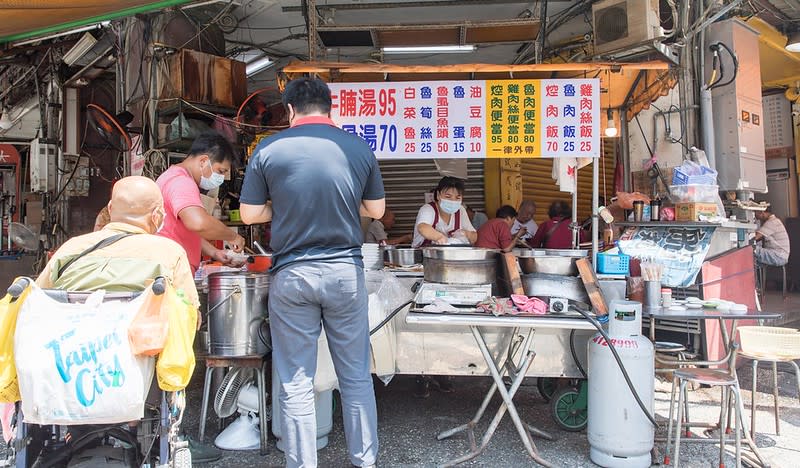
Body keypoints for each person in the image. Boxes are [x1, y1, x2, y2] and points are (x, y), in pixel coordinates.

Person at [239, 77, 384, 468]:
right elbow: (377, 210)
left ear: (289, 110)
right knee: (354, 375)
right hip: (343, 274)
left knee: (296, 380)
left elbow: (250, 214)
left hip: (293, 276)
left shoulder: (268, 148)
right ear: (329, 107)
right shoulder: (356, 146)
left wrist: (284, 207)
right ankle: (364, 460)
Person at [35, 176, 217, 462]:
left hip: (68, 371)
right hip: (138, 377)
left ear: (110, 208)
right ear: (157, 215)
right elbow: (190, 317)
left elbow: (39, 303)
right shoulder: (168, 252)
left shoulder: (71, 249)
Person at [156, 132, 246, 272]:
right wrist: (233, 236)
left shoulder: (172, 176)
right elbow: (199, 223)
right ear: (203, 161)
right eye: (220, 171)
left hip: (170, 267)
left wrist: (214, 252)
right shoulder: (182, 182)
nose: (221, 178)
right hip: (171, 270)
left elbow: (185, 230)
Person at [411, 176, 477, 247]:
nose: (453, 201)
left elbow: (474, 236)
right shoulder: (428, 209)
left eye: (457, 198)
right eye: (448, 197)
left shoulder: (460, 210)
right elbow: (422, 227)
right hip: (423, 256)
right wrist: (439, 237)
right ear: (438, 195)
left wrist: (466, 234)